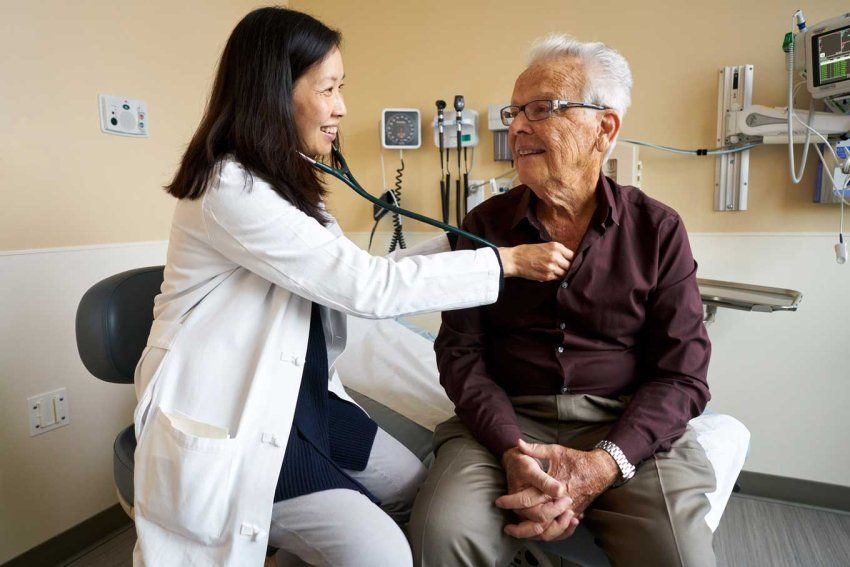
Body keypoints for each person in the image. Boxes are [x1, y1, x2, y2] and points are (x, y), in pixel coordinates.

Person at [131, 7, 572, 567]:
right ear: (275, 92)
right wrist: (504, 262)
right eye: (329, 88)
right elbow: (366, 287)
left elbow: (352, 272)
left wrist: (475, 232)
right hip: (241, 415)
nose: (340, 105)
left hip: (305, 402)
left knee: (417, 487)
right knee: (382, 553)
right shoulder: (229, 186)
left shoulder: (288, 190)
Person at [409, 34, 717, 567]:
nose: (517, 126)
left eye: (542, 109)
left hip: (621, 421)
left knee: (678, 554)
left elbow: (682, 375)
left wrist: (602, 465)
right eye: (515, 111)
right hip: (505, 421)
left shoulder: (658, 230)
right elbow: (461, 354)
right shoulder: (484, 228)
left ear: (605, 127)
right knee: (442, 531)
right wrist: (509, 446)